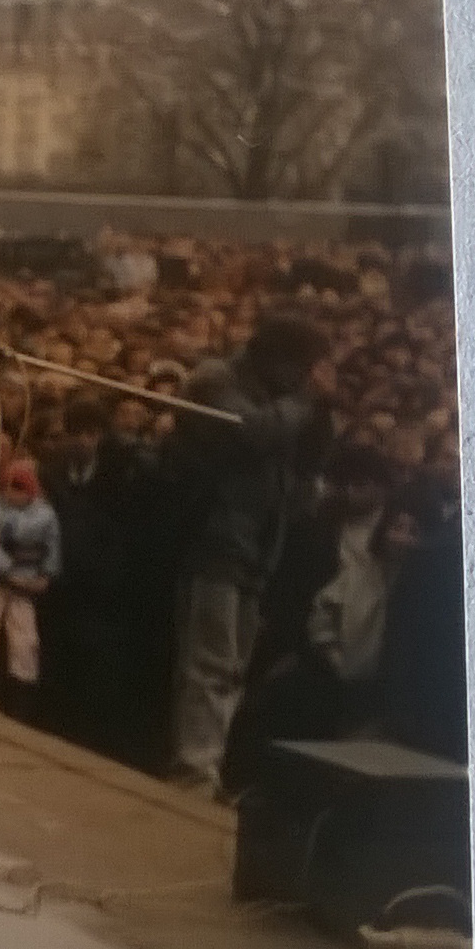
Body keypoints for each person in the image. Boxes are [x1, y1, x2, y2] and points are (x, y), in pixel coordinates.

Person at [164, 315, 332, 795]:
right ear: (278, 358)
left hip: (258, 548)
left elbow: (312, 457)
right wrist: (305, 401)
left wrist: (323, 408)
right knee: (210, 665)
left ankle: (207, 765)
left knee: (233, 668)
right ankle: (193, 774)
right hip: (212, 540)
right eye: (303, 367)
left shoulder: (286, 399)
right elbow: (248, 434)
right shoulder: (216, 380)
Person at [0, 458, 61, 724]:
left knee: (24, 642)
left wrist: (46, 575)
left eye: (20, 488)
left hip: (27, 584)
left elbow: (52, 548)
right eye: (10, 487)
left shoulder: (46, 515)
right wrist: (7, 569)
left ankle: (20, 702)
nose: (14, 493)